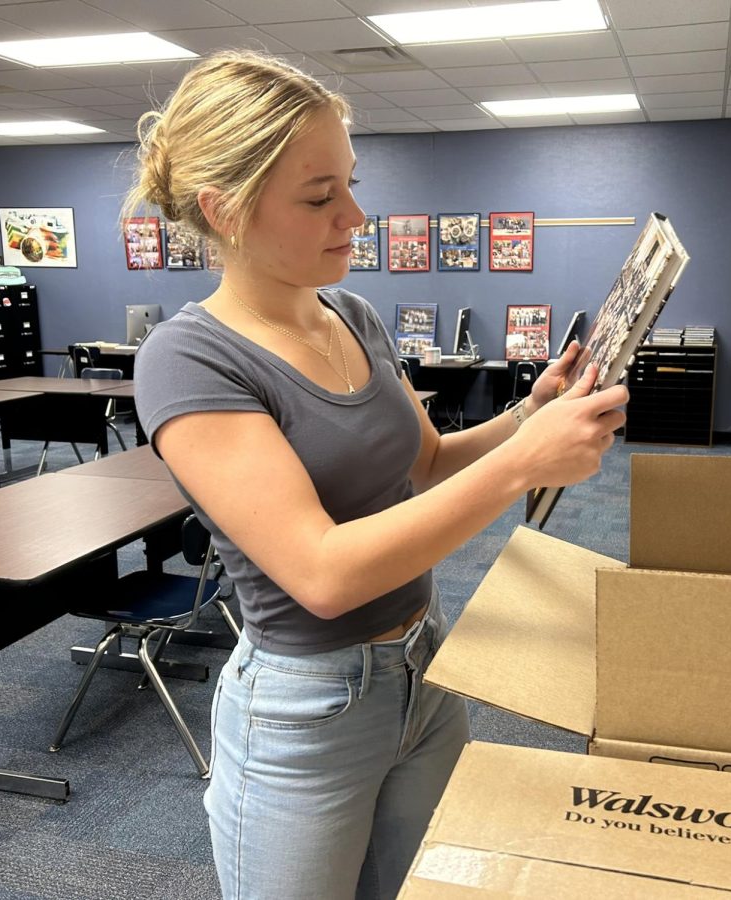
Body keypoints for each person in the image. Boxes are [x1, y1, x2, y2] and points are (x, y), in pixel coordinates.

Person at [129, 50, 628, 900]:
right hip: (306, 712)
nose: (355, 216)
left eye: (350, 185)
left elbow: (424, 463)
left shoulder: (351, 315)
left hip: (424, 670)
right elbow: (322, 573)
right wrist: (521, 465)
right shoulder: (187, 360)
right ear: (226, 210)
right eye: (321, 197)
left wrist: (523, 418)